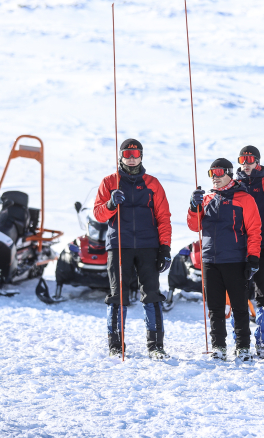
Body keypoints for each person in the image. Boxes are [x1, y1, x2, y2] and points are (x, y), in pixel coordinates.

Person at [93, 139, 172, 360]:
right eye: (127, 153)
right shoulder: (110, 182)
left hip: (149, 245)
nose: (131, 157)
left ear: (141, 156)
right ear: (120, 156)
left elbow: (163, 217)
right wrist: (110, 204)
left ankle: (155, 345)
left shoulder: (153, 183)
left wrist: (165, 247)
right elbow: (98, 214)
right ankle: (116, 345)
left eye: (135, 153)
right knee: (117, 295)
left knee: (152, 295)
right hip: (119, 245)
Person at [187, 158, 262, 362]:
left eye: (219, 173)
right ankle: (218, 346)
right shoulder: (207, 198)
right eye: (212, 173)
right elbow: (195, 226)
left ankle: (243, 347)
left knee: (239, 306)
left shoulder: (244, 198)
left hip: (235, 259)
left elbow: (254, 230)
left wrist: (253, 257)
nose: (215, 177)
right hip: (210, 259)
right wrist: (194, 206)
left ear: (229, 173)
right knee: (215, 307)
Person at [234, 146, 264, 359]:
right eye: (242, 159)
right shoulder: (233, 184)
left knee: (263, 293)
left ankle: (263, 342)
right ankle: (241, 341)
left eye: (250, 159)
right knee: (240, 295)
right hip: (239, 247)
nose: (246, 163)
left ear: (258, 161)